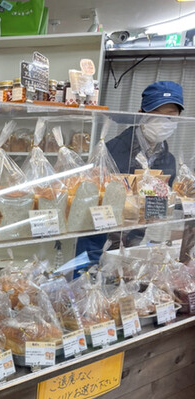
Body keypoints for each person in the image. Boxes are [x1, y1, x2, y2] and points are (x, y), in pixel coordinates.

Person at [75, 81, 184, 269]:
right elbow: (87, 200)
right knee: (87, 282)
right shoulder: (110, 151)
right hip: (98, 240)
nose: (163, 122)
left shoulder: (168, 160)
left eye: (170, 117)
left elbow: (163, 207)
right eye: (156, 115)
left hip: (135, 241)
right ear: (140, 114)